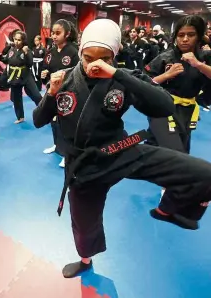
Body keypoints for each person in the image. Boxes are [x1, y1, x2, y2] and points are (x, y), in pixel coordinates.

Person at [33, 19, 211, 279]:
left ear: (114, 55)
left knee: (203, 173)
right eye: (88, 57)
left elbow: (164, 107)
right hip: (85, 165)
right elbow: (39, 120)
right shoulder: (66, 80)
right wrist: (51, 94)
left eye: (104, 58)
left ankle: (170, 209)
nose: (95, 64)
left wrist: (117, 74)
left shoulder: (124, 77)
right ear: (81, 52)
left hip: (121, 149)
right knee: (83, 225)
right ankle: (85, 261)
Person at [145, 15, 211, 154]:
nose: (185, 39)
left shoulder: (205, 57)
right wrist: (166, 75)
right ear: (175, 37)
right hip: (163, 106)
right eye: (181, 35)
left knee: (181, 148)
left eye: (191, 35)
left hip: (187, 110)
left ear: (198, 36)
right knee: (175, 151)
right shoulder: (165, 57)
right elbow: (143, 84)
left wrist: (199, 65)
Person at [40, 19, 79, 167]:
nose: (54, 36)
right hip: (52, 91)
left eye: (58, 33)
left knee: (66, 123)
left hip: (68, 93)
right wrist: (44, 73)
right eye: (53, 33)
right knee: (53, 120)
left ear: (67, 34)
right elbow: (46, 67)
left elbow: (77, 74)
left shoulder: (73, 52)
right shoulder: (50, 51)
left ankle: (67, 153)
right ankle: (57, 146)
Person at [0, 30, 42, 124]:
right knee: (16, 98)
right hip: (15, 76)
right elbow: (7, 60)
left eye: (19, 40)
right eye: (15, 39)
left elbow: (29, 63)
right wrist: (0, 57)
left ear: (23, 41)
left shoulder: (26, 50)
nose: (16, 41)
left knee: (36, 95)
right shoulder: (12, 49)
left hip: (25, 75)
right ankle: (20, 117)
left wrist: (25, 53)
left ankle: (45, 112)